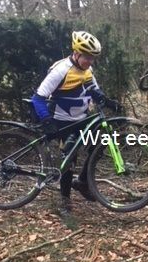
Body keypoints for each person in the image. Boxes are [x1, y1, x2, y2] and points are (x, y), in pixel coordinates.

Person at [31, 30, 120, 213]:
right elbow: (38, 98)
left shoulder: (87, 69)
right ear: (76, 53)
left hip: (82, 119)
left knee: (99, 144)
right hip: (62, 121)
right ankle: (65, 201)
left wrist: (108, 102)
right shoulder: (61, 70)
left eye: (93, 58)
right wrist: (46, 120)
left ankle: (82, 182)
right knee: (69, 160)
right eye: (87, 57)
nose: (90, 61)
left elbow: (94, 90)